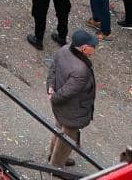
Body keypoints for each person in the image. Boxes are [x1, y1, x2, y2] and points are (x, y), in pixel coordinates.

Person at [46, 30, 98, 168]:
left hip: (60, 107)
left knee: (58, 130)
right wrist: (55, 98)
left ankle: (53, 155)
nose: (95, 49)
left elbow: (52, 70)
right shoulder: (81, 70)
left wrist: (50, 89)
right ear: (84, 48)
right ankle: (57, 166)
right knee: (67, 139)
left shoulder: (63, 50)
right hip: (72, 110)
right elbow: (67, 92)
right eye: (93, 47)